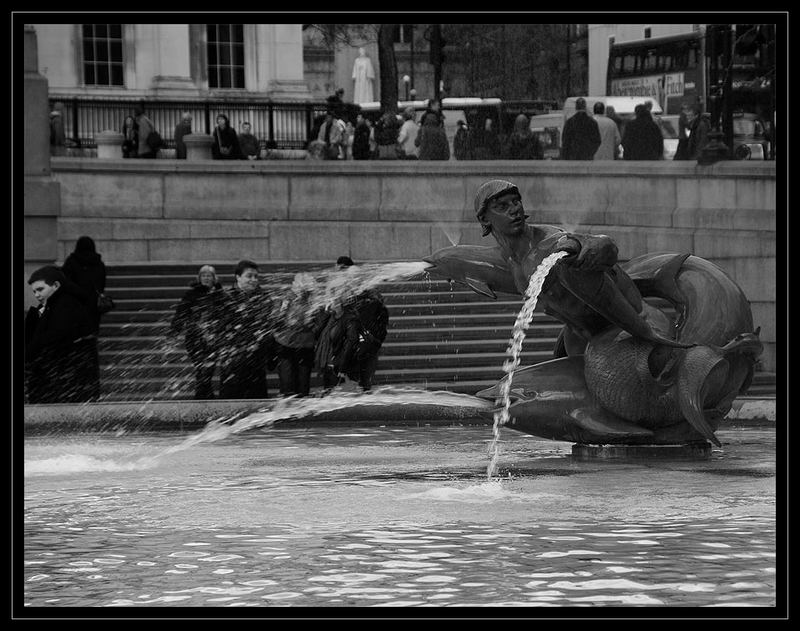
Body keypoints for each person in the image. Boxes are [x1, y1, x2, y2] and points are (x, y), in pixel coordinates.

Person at [471, 179, 629, 356]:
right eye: (502, 206)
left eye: (516, 201)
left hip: (617, 332)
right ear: (485, 218)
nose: (514, 209)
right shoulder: (512, 262)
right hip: (578, 339)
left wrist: (600, 245)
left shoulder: (550, 242)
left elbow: (604, 252)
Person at [25, 265, 97, 403]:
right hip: (63, 378)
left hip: (66, 378)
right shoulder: (51, 305)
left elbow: (54, 337)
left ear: (56, 285)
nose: (37, 295)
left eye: (40, 289)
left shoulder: (66, 304)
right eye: (34, 291)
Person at [215, 260, 274, 399]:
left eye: (256, 276)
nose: (253, 280)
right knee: (230, 405)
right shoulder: (226, 299)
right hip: (232, 363)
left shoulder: (264, 298)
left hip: (256, 362)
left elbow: (269, 328)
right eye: (249, 276)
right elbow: (219, 330)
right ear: (238, 277)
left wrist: (270, 355)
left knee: (257, 408)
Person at [169, 265, 224, 400]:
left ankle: (203, 399)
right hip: (195, 339)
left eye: (209, 275)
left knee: (208, 370)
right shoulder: (191, 294)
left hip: (213, 338)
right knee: (201, 369)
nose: (206, 278)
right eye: (203, 275)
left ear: (214, 278)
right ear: (199, 278)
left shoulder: (220, 294)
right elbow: (181, 313)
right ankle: (205, 399)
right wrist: (174, 332)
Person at [273, 272, 326, 397]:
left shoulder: (313, 302)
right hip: (285, 345)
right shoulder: (285, 300)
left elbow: (320, 322)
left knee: (302, 385)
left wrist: (310, 328)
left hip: (304, 346)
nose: (302, 290)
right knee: (288, 385)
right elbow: (276, 320)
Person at [334, 285, 389, 392]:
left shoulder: (355, 308)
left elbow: (350, 334)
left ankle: (356, 394)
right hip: (371, 346)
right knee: (365, 379)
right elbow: (383, 330)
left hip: (357, 347)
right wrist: (376, 341)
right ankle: (364, 392)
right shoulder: (380, 308)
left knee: (353, 378)